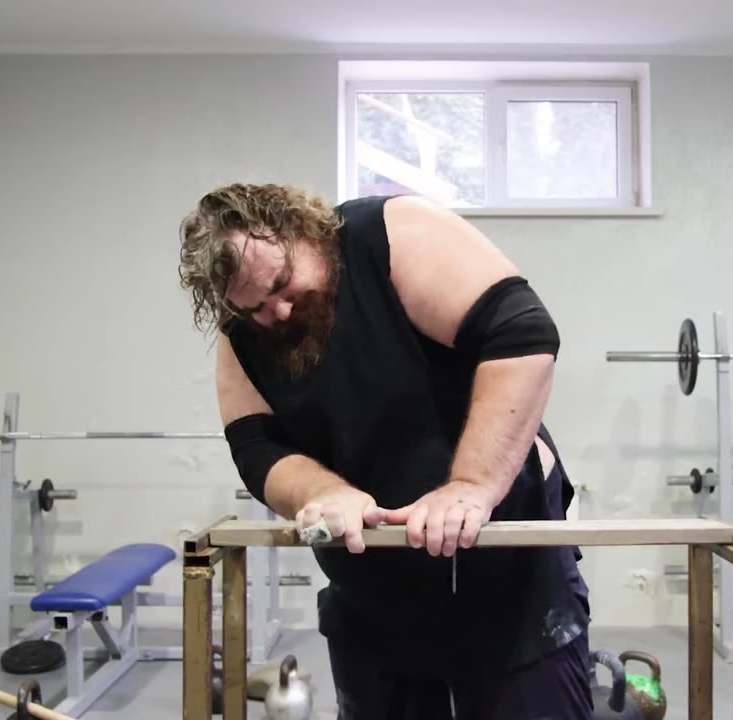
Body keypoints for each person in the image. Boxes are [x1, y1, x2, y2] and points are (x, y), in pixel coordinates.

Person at [177, 184, 593, 719]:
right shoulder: (246, 330)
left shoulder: (390, 236)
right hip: (374, 602)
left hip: (512, 588)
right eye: (254, 306)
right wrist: (323, 492)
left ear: (303, 230)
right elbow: (257, 444)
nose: (277, 311)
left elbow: (522, 335)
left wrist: (470, 486)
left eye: (283, 285)